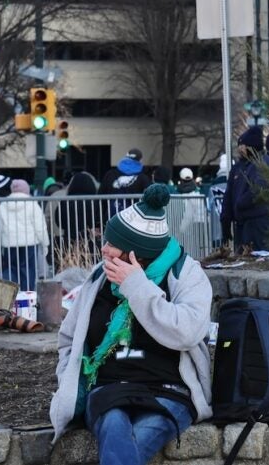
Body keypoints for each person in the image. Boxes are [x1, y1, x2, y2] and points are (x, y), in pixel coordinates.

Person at [50, 185, 212, 464]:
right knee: (113, 425)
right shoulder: (99, 279)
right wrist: (68, 378)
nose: (104, 248)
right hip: (108, 388)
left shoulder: (185, 275)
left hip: (169, 389)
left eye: (113, 244)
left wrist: (136, 285)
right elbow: (68, 338)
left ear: (135, 254)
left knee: (145, 431)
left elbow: (188, 332)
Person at [226, 127, 269, 253]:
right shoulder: (243, 166)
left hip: (258, 222)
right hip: (247, 223)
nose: (240, 149)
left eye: (243, 145)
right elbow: (229, 195)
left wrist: (240, 204)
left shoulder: (261, 164)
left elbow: (258, 189)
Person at [0, 179, 49, 289]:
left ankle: (11, 296)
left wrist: (2, 238)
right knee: (28, 270)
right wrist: (45, 243)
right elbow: (40, 226)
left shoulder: (3, 203)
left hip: (9, 243)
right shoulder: (32, 203)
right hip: (28, 242)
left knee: (10, 269)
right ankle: (27, 297)